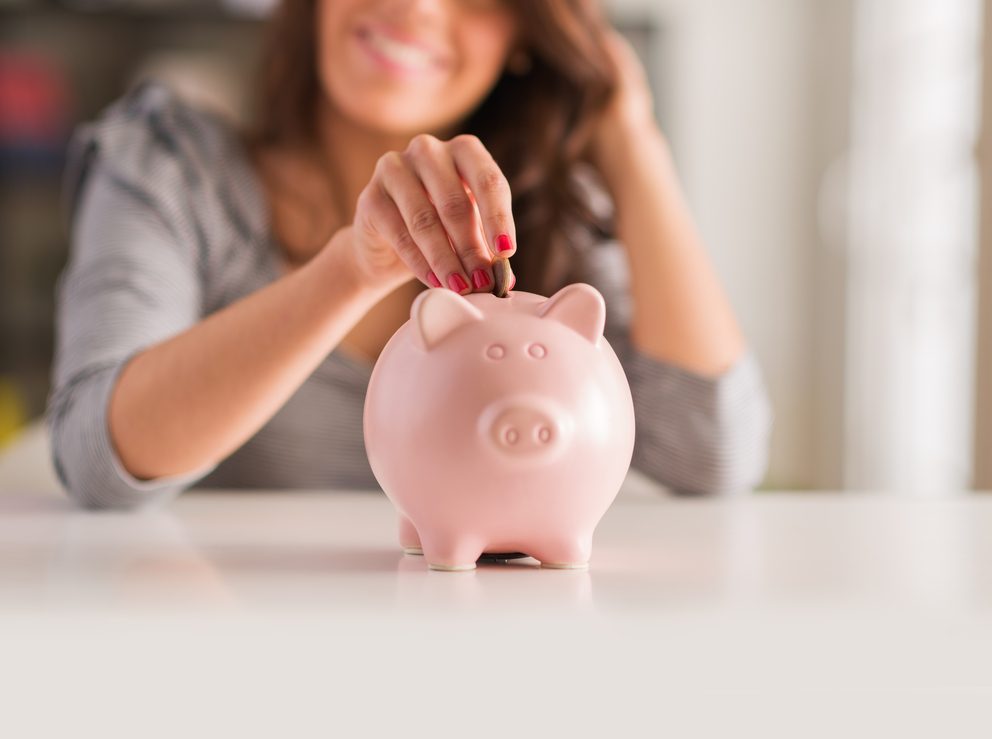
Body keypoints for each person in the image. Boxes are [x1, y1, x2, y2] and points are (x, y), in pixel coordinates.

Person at [48, 0, 772, 510]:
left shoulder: (551, 210)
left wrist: (630, 136)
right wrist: (350, 271)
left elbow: (711, 454)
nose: (417, 5)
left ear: (526, 31)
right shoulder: (173, 165)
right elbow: (95, 459)